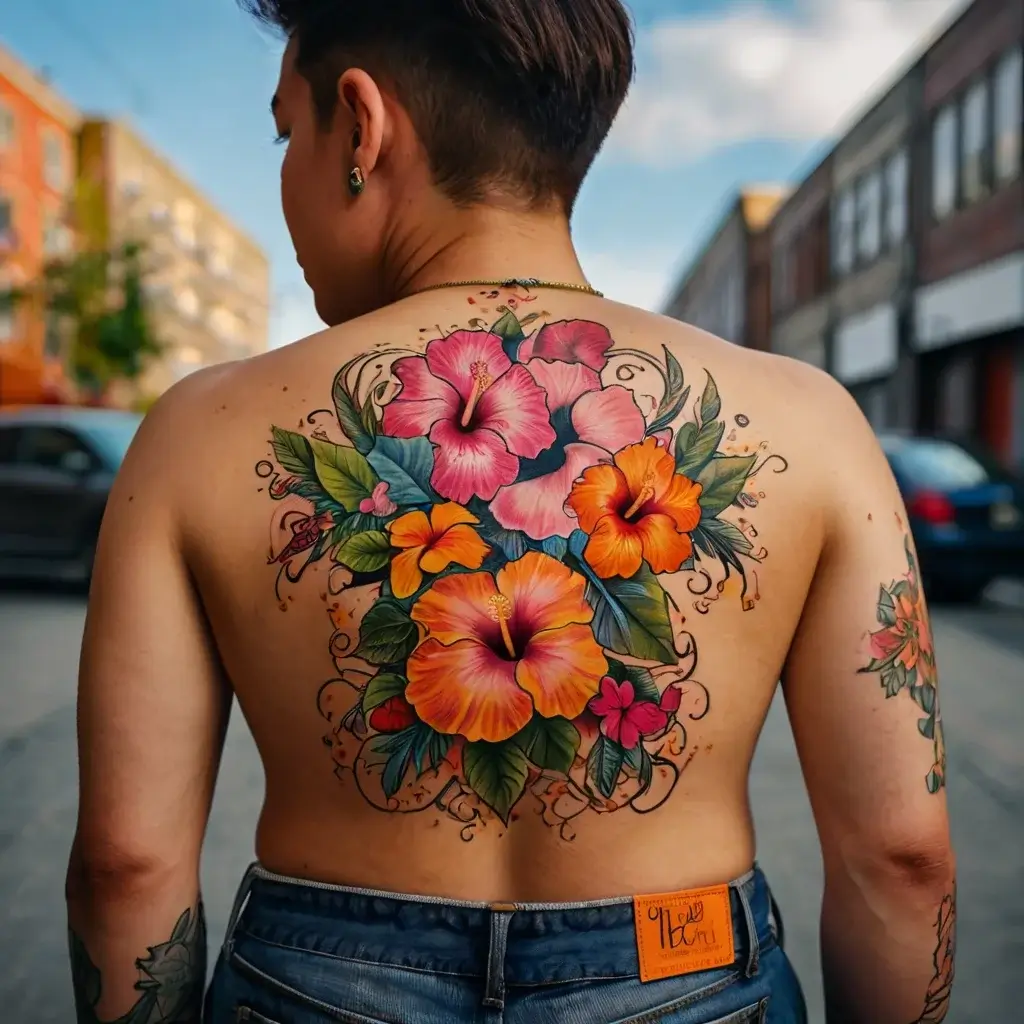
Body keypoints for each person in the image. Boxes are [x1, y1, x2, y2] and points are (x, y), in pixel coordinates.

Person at [65, 1, 956, 1021]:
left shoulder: (198, 431)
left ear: (359, 125)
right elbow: (902, 856)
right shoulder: (812, 425)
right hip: (687, 974)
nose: (283, 171)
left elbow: (125, 865)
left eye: (285, 130)